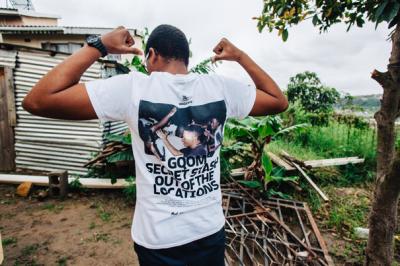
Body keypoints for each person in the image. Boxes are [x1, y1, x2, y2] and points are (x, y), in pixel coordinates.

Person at [22, 24, 288, 266]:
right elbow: (278, 101)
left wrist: (99, 45)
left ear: (151, 55)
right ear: (186, 58)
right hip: (210, 232)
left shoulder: (132, 89)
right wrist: (239, 56)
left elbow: (39, 100)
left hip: (159, 240)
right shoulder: (220, 88)